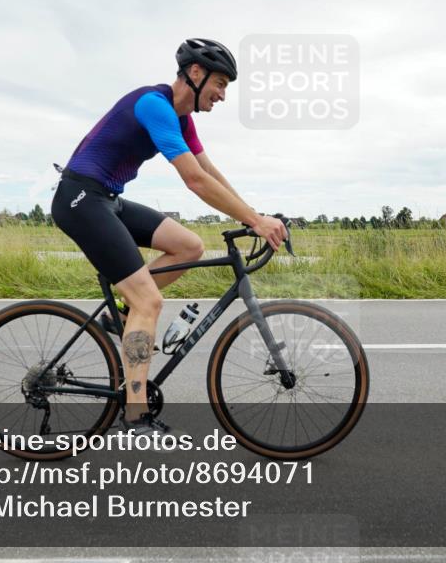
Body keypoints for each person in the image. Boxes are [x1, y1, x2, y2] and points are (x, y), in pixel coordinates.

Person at [51, 38, 288, 437]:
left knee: (190, 246)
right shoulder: (154, 105)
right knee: (149, 299)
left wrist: (254, 217)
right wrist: (255, 220)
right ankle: (135, 415)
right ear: (195, 74)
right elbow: (193, 180)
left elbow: (208, 170)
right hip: (80, 199)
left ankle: (123, 317)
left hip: (107, 199)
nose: (223, 95)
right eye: (220, 83)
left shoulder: (182, 119)